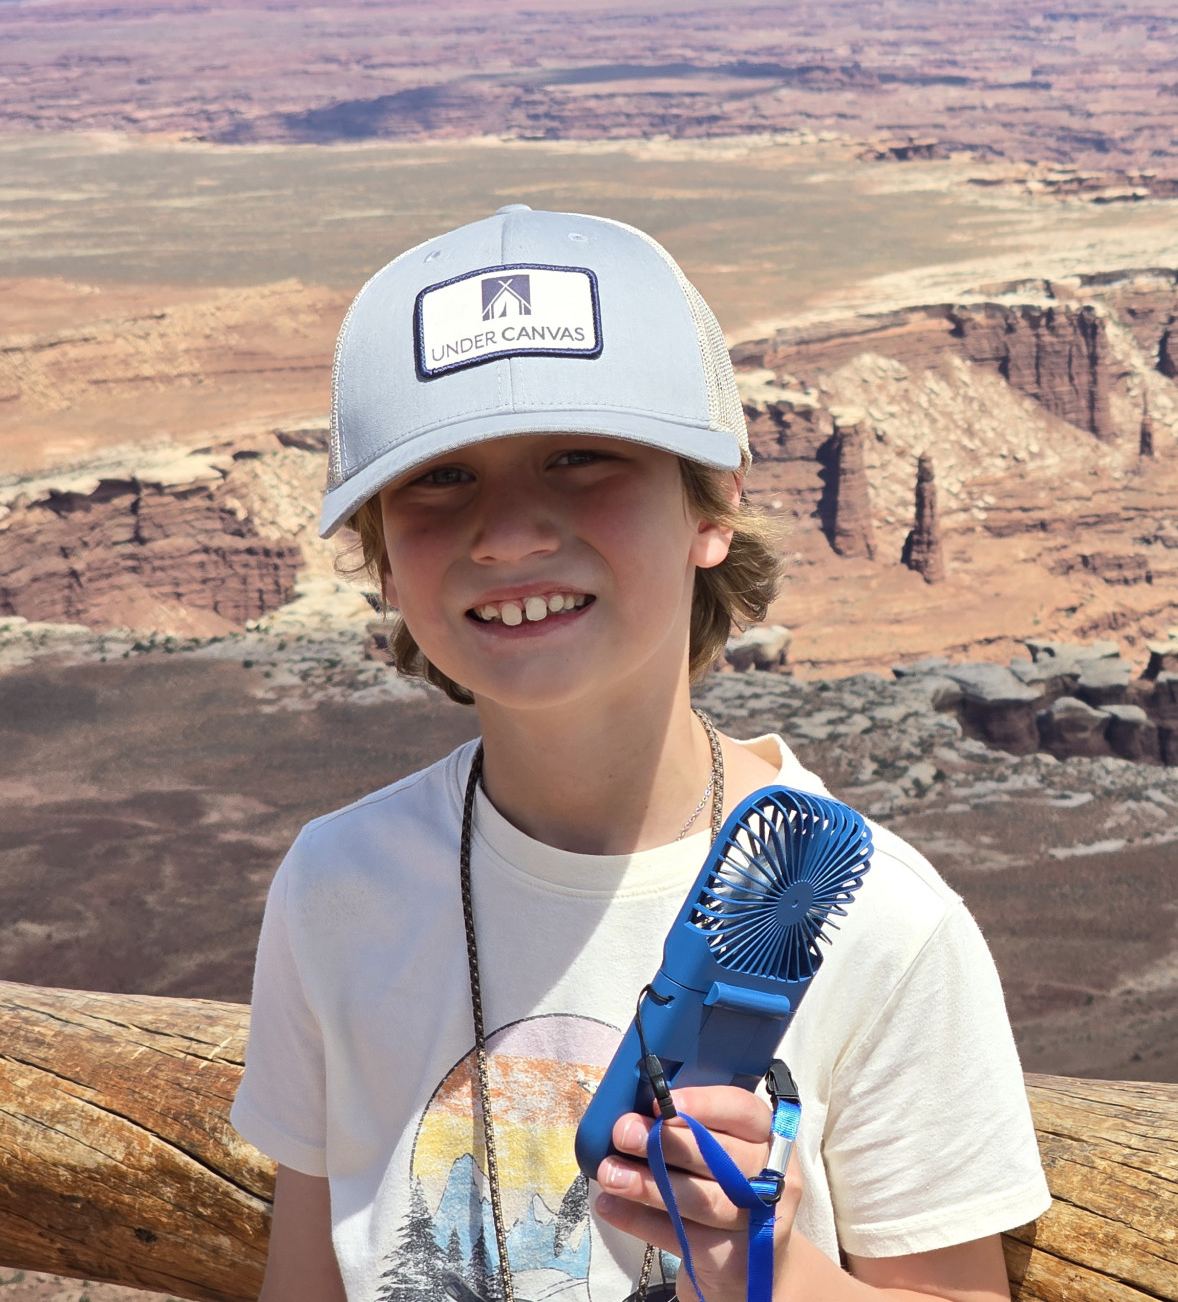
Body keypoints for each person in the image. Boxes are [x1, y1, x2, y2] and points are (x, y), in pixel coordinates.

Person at [232, 205, 1049, 1302]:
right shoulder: (336, 887)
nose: (509, 534)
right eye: (439, 478)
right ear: (382, 558)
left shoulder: (877, 923)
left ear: (712, 507)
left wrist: (762, 1263)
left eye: (580, 458)